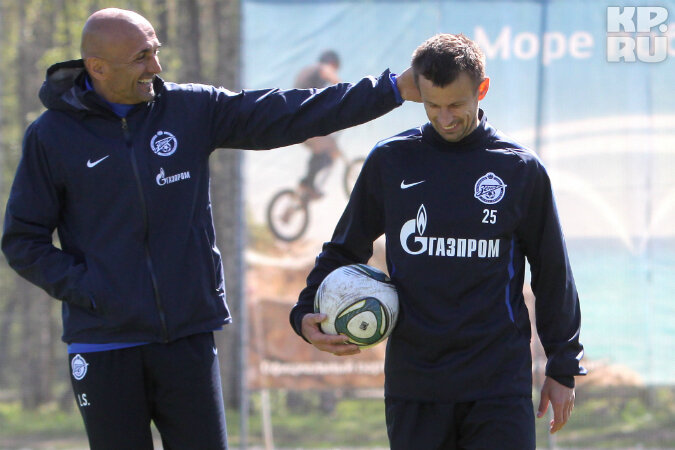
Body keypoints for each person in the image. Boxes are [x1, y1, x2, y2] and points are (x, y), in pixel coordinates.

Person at [0, 8, 419, 450]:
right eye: (142, 57)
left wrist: (392, 89)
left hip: (187, 337)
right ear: (98, 67)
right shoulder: (51, 136)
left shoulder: (189, 108)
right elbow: (23, 241)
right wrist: (94, 288)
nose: (156, 68)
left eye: (156, 52)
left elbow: (288, 112)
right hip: (104, 342)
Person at [290, 33, 586, 449]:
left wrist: (562, 365)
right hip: (417, 385)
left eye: (456, 106)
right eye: (433, 106)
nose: (444, 118)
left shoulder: (520, 170)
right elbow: (344, 249)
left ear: (482, 90)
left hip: (497, 384)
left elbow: (553, 271)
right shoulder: (391, 160)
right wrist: (305, 311)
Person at [294, 50, 343, 199]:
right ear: (331, 63)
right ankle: (308, 183)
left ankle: (306, 186)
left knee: (322, 153)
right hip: (305, 122)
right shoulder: (321, 68)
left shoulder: (309, 72)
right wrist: (347, 90)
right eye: (335, 66)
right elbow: (332, 78)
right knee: (331, 150)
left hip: (296, 122)